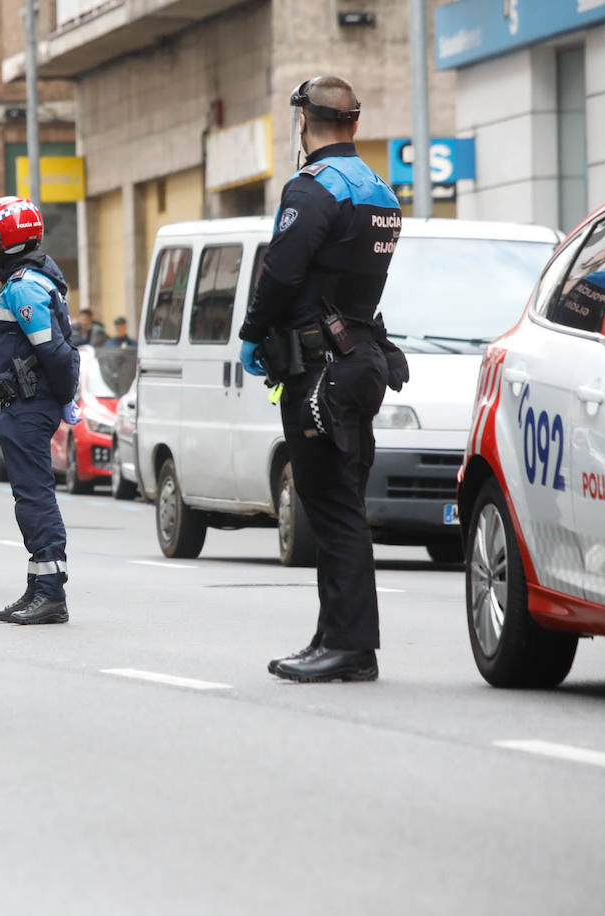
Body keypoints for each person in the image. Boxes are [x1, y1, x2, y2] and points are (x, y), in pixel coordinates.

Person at [238, 75, 402, 683]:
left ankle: (352, 647)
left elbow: (280, 273)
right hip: (360, 363)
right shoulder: (380, 191)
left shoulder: (312, 191)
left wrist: (253, 334)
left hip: (320, 372)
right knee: (340, 501)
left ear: (302, 122)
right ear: (354, 124)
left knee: (331, 508)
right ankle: (333, 634)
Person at [0, 196, 80, 625]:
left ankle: (51, 593)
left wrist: (62, 397)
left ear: (5, 240)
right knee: (29, 497)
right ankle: (39, 586)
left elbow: (53, 351)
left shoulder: (23, 286)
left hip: (27, 404)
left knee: (34, 497)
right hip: (27, 402)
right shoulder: (37, 278)